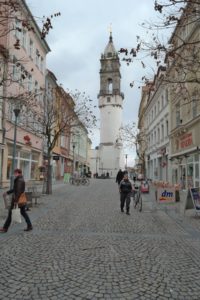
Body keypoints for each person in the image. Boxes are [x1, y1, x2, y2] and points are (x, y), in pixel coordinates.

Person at [0, 169, 33, 233]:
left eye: (15, 173)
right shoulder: (19, 179)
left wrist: (15, 201)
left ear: (18, 173)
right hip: (20, 200)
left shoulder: (19, 180)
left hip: (17, 200)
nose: (14, 174)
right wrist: (7, 192)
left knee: (10, 214)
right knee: (23, 213)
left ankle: (5, 228)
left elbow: (18, 192)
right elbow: (15, 189)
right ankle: (29, 226)